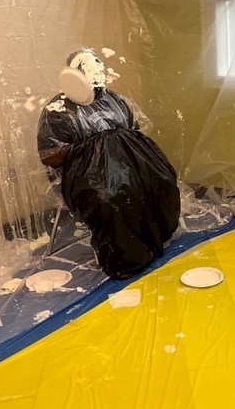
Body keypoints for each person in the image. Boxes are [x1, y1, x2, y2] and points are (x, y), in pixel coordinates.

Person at [37, 49, 180, 280]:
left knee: (160, 180)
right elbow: (48, 155)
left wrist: (117, 146)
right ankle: (126, 258)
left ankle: (158, 236)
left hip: (123, 167)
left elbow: (133, 134)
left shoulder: (115, 100)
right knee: (109, 199)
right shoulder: (58, 110)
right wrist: (92, 148)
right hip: (85, 175)